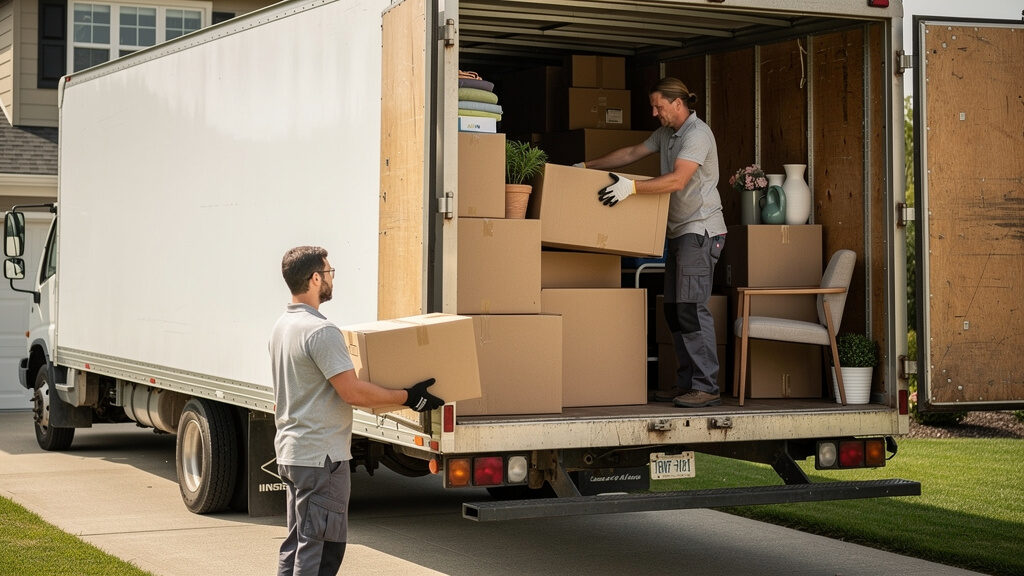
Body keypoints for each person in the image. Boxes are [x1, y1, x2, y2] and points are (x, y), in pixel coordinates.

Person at [269, 246, 443, 576]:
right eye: (329, 272)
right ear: (315, 278)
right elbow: (352, 391)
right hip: (321, 459)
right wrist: (408, 396)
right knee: (320, 553)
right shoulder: (320, 331)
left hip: (293, 454)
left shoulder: (283, 326)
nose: (333, 278)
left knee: (297, 546)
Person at [579, 77, 727, 408]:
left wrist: (631, 188)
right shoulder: (667, 134)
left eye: (659, 106)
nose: (654, 112)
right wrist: (585, 167)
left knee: (690, 308)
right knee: (675, 311)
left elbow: (678, 179)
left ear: (678, 103)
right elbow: (632, 152)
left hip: (700, 231)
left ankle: (706, 385)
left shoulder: (696, 134)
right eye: (653, 106)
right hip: (679, 232)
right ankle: (687, 382)